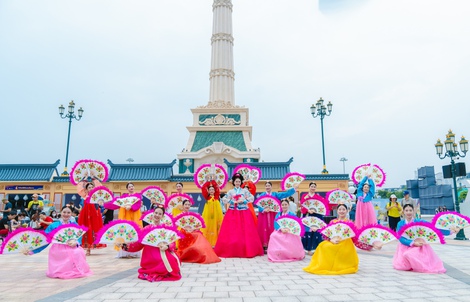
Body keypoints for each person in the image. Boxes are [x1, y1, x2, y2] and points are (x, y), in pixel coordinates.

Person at [122, 205, 181, 282]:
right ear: (153, 214)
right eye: (156, 213)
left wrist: (167, 246)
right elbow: (138, 244)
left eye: (160, 214)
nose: (157, 215)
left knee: (172, 261)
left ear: (162, 216)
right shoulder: (146, 228)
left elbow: (172, 242)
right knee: (160, 263)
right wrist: (124, 245)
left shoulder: (166, 228)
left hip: (163, 251)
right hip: (149, 254)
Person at [32, 206, 92, 279]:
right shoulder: (53, 225)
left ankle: (75, 269)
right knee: (62, 253)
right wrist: (32, 250)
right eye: (64, 212)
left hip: (71, 245)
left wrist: (75, 242)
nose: (66, 214)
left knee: (78, 251)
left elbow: (79, 236)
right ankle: (61, 270)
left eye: (68, 212)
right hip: (58, 247)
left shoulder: (74, 225)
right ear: (60, 212)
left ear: (71, 214)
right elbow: (45, 239)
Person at [214, 173, 264, 258]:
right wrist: (232, 201)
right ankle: (233, 249)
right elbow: (224, 199)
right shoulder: (231, 191)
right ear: (233, 182)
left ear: (241, 182)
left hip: (244, 211)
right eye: (236, 181)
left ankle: (246, 249)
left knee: (246, 230)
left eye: (239, 181)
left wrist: (244, 201)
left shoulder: (245, 191)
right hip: (233, 211)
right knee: (232, 230)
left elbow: (251, 198)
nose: (237, 182)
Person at [303, 203, 359, 275]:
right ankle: (324, 264)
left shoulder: (350, 222)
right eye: (340, 209)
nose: (341, 211)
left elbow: (354, 236)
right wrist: (331, 240)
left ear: (347, 211)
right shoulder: (333, 222)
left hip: (345, 242)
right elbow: (327, 234)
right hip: (333, 240)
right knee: (322, 245)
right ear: (337, 211)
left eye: (343, 209)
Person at [392, 204, 446, 273]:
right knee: (404, 264)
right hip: (405, 245)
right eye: (406, 210)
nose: (409, 212)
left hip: (419, 245)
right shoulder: (400, 223)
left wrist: (450, 231)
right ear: (403, 212)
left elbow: (432, 227)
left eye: (410, 210)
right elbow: (400, 238)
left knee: (410, 254)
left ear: (413, 211)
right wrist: (413, 243)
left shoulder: (419, 222)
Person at [176, 200, 221, 264]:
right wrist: (185, 229)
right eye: (186, 204)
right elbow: (176, 226)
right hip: (183, 231)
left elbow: (198, 225)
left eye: (188, 205)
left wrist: (193, 229)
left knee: (199, 235)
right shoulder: (180, 215)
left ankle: (204, 254)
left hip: (192, 231)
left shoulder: (192, 215)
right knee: (192, 235)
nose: (187, 206)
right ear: (183, 205)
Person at [257, 181, 297, 251]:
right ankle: (265, 245)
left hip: (273, 214)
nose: (268, 187)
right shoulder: (262, 195)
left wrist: (293, 189)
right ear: (265, 187)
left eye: (269, 185)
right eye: (266, 186)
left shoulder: (275, 194)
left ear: (271, 187)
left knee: (273, 227)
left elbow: (285, 194)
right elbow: (258, 204)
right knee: (264, 228)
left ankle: (274, 244)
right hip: (264, 215)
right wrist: (263, 209)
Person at [76, 175, 105, 256]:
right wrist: (84, 179)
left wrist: (94, 178)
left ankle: (93, 244)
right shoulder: (85, 196)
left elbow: (100, 187)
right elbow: (79, 187)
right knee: (87, 230)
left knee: (94, 229)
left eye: (92, 187)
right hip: (86, 215)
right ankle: (88, 248)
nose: (91, 188)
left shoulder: (96, 197)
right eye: (89, 187)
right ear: (86, 189)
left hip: (95, 215)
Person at [300, 182, 326, 255]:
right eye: (311, 186)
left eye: (314, 187)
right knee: (307, 231)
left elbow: (321, 207)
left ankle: (315, 248)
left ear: (315, 188)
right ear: (309, 187)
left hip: (316, 216)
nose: (313, 188)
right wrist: (308, 210)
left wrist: (316, 210)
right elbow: (302, 206)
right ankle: (307, 248)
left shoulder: (318, 197)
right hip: (308, 215)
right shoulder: (305, 196)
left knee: (316, 231)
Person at [200, 177, 224, 247]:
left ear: (214, 191)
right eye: (210, 189)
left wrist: (213, 180)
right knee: (208, 225)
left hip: (216, 213)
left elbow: (217, 187)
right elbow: (203, 188)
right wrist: (207, 181)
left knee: (216, 225)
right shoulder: (207, 197)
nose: (211, 191)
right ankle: (207, 242)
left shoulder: (216, 196)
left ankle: (216, 242)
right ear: (208, 191)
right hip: (208, 214)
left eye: (212, 189)